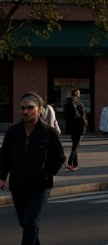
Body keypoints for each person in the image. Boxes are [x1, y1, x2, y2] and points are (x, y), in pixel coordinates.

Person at [0, 93, 65, 245]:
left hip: (40, 186)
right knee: (25, 223)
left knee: (30, 223)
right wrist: (2, 177)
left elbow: (59, 158)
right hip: (18, 185)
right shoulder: (13, 132)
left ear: (39, 110)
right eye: (23, 108)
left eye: (30, 107)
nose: (25, 111)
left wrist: (46, 174)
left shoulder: (48, 132)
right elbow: (4, 156)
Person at [63, 90, 86, 172]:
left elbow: (65, 116)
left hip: (75, 127)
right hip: (78, 127)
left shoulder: (73, 104)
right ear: (76, 94)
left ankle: (75, 164)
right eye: (79, 93)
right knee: (75, 146)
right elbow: (82, 116)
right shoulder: (77, 104)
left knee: (76, 145)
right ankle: (69, 163)